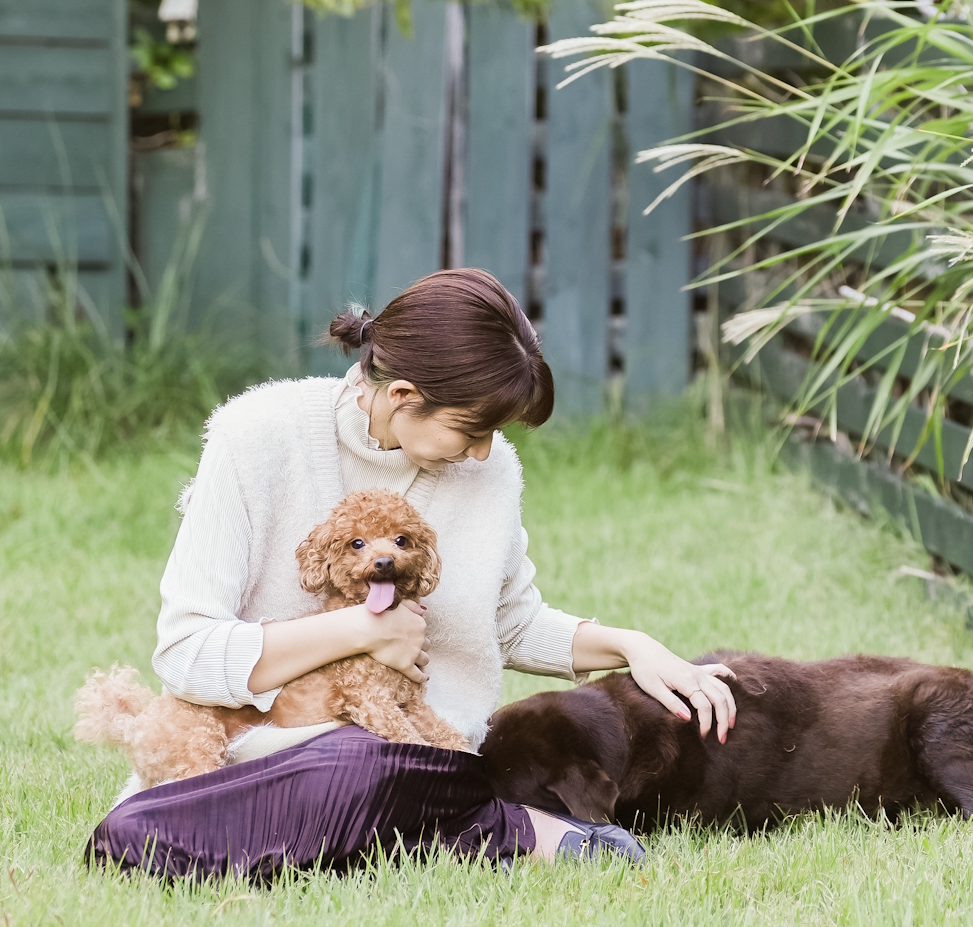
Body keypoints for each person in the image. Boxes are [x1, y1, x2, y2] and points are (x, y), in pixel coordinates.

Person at [86, 268, 737, 879]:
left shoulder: (490, 472)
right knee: (141, 830)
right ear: (402, 397)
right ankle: (497, 829)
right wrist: (360, 633)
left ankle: (427, 821)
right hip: (257, 753)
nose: (485, 451)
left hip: (405, 756)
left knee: (389, 760)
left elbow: (507, 623)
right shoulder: (255, 437)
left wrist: (631, 647)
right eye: (471, 429)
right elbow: (185, 651)